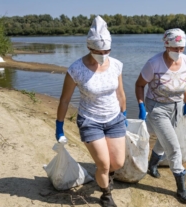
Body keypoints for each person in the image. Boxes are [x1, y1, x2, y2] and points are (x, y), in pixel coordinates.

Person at [56, 16, 126, 207]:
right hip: (90, 120)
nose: (104, 54)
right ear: (89, 47)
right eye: (98, 51)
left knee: (118, 163)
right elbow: (64, 100)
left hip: (114, 119)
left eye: (107, 51)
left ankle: (105, 176)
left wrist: (124, 113)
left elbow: (120, 92)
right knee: (103, 164)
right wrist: (59, 126)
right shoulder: (76, 69)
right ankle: (105, 194)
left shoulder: (117, 65)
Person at [135, 28, 186, 204]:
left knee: (165, 138)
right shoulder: (153, 64)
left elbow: (185, 82)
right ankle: (181, 189)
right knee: (174, 147)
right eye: (175, 48)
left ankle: (152, 163)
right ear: (167, 45)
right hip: (157, 108)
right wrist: (141, 105)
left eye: (181, 48)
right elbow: (139, 85)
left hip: (177, 106)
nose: (179, 52)